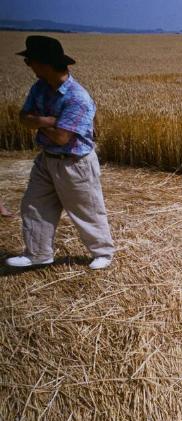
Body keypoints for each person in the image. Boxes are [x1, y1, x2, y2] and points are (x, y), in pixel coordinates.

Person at [6, 36, 114, 270]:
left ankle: (102, 252)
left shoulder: (78, 98)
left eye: (30, 61)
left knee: (86, 210)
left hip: (75, 164)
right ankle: (38, 254)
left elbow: (62, 137)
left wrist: (38, 121)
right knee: (34, 205)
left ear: (45, 63)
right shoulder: (40, 87)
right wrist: (51, 120)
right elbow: (23, 117)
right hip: (47, 159)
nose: (28, 66)